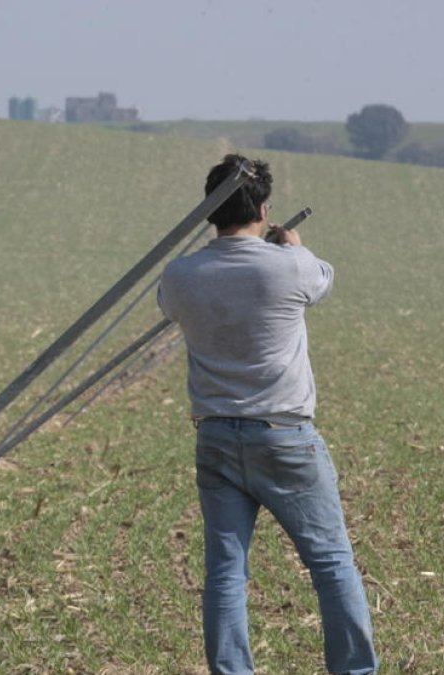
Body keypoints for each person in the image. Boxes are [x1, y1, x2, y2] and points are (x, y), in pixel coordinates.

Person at [157, 154, 378, 674]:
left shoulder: (182, 275)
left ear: (210, 212)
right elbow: (322, 279)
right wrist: (293, 246)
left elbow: (170, 304)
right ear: (263, 208)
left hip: (214, 437)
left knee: (226, 574)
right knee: (330, 564)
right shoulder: (290, 265)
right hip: (284, 436)